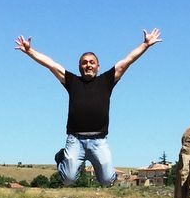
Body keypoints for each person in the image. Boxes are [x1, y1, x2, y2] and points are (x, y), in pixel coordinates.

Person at [15, 29, 162, 186]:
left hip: (99, 141)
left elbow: (128, 60)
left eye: (92, 62)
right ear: (79, 67)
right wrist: (30, 51)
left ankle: (104, 176)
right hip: (75, 140)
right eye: (84, 62)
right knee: (68, 180)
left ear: (98, 66)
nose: (88, 65)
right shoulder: (72, 81)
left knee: (107, 181)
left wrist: (145, 44)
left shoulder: (106, 80)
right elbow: (51, 65)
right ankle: (61, 158)